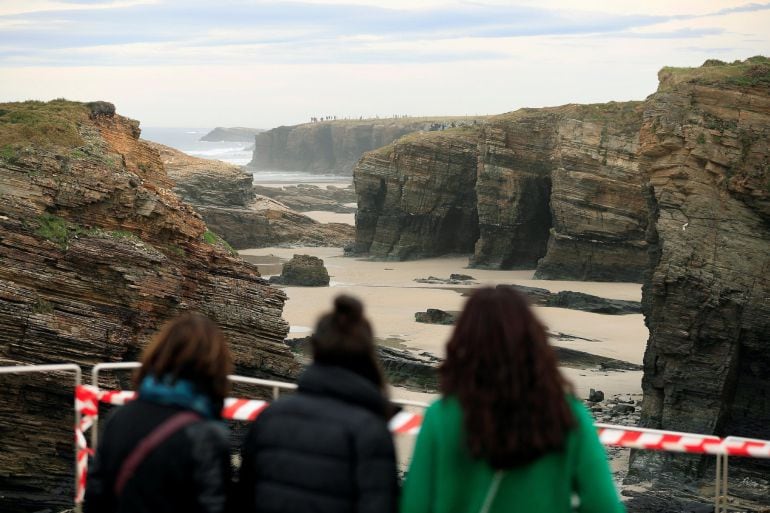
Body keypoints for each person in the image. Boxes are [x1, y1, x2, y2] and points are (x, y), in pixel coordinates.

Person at [401, 286, 625, 513]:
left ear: (463, 343)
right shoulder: (567, 415)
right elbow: (604, 505)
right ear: (534, 341)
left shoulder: (441, 416)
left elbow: (415, 505)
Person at [235, 295, 398, 513]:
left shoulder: (270, 416)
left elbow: (245, 496)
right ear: (367, 353)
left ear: (315, 349)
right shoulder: (371, 430)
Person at [84, 312, 233, 513]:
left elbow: (95, 496)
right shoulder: (207, 435)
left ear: (157, 354)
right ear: (216, 366)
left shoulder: (119, 417)